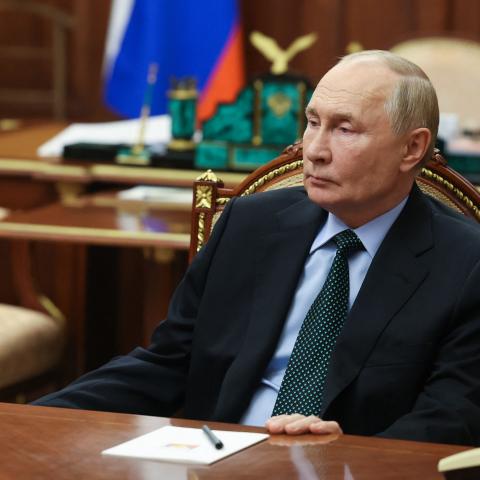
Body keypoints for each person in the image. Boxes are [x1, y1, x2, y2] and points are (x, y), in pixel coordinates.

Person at [34, 50, 480, 446]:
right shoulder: (252, 224)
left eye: (346, 130)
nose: (315, 150)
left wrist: (351, 457)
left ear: (412, 148)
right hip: (216, 458)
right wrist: (35, 419)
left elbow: (452, 414)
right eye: (312, 122)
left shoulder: (464, 261)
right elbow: (171, 361)